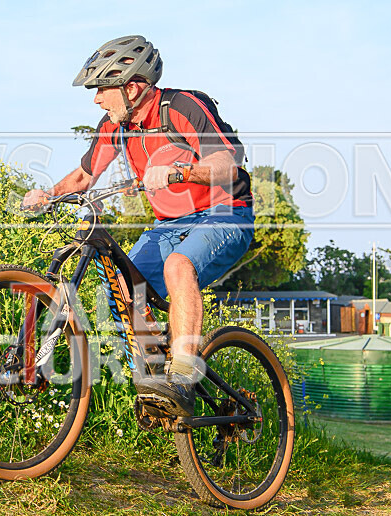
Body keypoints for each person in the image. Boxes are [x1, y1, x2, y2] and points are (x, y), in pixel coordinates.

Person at [22, 35, 254, 416]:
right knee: (122, 286)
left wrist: (181, 172)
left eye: (101, 88)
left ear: (132, 86)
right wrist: (49, 194)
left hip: (226, 213)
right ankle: (153, 382)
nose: (96, 98)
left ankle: (181, 380)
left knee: (178, 266)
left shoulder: (182, 107)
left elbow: (228, 164)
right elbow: (84, 176)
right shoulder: (115, 124)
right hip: (169, 224)